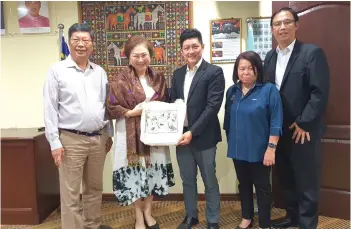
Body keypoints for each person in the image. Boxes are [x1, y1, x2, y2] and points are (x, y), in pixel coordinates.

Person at [264, 7, 330, 229]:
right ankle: (292, 217)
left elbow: (319, 93)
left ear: (296, 25)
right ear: (272, 29)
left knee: (306, 182)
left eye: (286, 22)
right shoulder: (270, 56)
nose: (282, 27)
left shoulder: (311, 53)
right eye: (277, 24)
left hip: (304, 131)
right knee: (287, 180)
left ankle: (307, 224)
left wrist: (304, 122)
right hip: (280, 131)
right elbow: (269, 92)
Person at [43, 23, 113, 229]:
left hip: (98, 139)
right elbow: (49, 109)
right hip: (70, 140)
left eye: (86, 40)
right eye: (76, 40)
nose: (81, 44)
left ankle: (92, 224)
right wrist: (54, 143)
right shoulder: (57, 71)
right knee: (71, 193)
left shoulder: (99, 72)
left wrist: (108, 135)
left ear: (92, 45)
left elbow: (105, 105)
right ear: (70, 42)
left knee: (94, 187)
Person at [106, 35, 175, 229]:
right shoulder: (119, 79)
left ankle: (148, 211)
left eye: (144, 54)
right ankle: (138, 215)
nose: (140, 59)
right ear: (128, 57)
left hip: (154, 134)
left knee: (153, 171)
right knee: (134, 173)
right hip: (127, 133)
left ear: (150, 55)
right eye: (135, 55)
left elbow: (166, 104)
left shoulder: (159, 79)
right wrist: (131, 112)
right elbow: (111, 106)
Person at [170, 28, 225, 229]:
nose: (191, 51)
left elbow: (212, 107)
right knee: (187, 180)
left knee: (209, 180)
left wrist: (192, 132)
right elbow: (172, 103)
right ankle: (191, 216)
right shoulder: (177, 74)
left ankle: (212, 220)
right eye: (186, 48)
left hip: (204, 137)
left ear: (202, 47)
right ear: (181, 51)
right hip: (181, 138)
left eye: (195, 46)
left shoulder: (214, 72)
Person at [223, 51, 283, 229]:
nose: (246, 72)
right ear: (237, 71)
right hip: (238, 149)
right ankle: (247, 217)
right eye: (242, 68)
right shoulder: (232, 92)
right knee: (244, 185)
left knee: (263, 187)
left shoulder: (269, 90)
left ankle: (265, 223)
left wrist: (271, 148)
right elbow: (228, 120)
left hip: (261, 151)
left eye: (251, 68)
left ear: (258, 69)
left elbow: (276, 121)